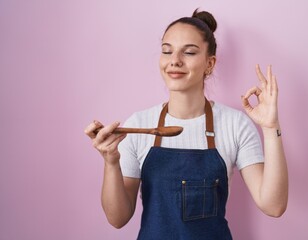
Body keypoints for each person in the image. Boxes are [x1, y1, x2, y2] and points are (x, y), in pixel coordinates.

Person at [84, 9, 288, 240]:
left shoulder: (235, 124)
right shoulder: (139, 124)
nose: (174, 61)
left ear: (209, 64)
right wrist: (111, 162)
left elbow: (274, 205)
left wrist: (271, 128)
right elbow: (117, 218)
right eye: (166, 51)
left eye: (189, 52)